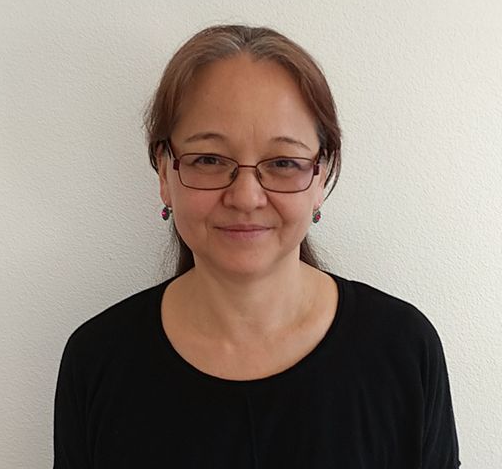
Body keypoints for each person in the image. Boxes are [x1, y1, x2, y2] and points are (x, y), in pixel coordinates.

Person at [53, 24, 461, 468]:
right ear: (165, 173)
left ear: (321, 177)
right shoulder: (96, 362)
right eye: (209, 159)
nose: (246, 197)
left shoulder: (403, 350)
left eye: (283, 162)